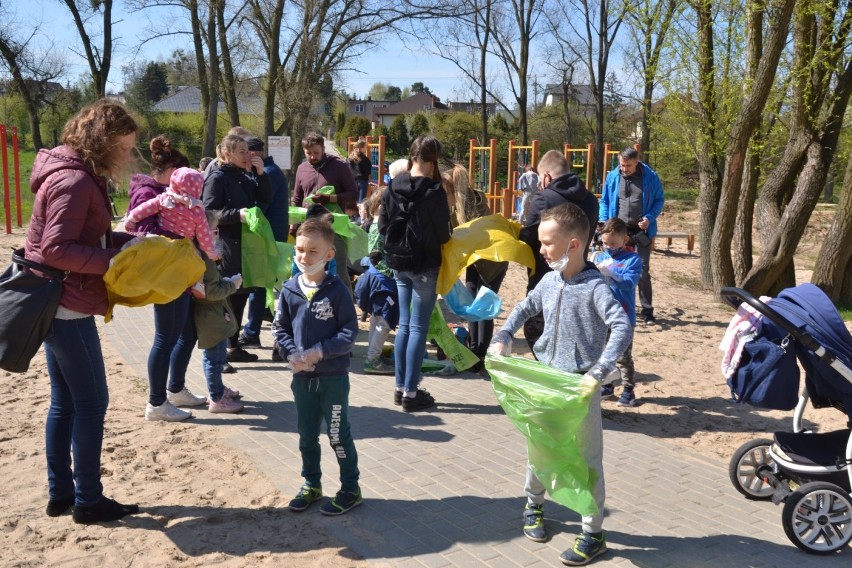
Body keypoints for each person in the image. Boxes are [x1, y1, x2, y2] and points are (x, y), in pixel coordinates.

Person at [488, 202, 632, 566]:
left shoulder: (596, 288)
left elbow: (622, 327)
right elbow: (524, 308)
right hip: (546, 381)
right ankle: (533, 506)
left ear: (573, 245)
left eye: (547, 243)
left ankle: (593, 533)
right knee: (541, 448)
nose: (541, 249)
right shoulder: (550, 281)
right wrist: (503, 334)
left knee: (586, 460)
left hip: (578, 389)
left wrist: (597, 374)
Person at [25, 99, 140, 523]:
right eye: (124, 148)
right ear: (103, 142)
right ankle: (88, 501)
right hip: (67, 305)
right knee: (92, 403)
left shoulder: (75, 174)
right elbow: (57, 249)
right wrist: (114, 262)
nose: (128, 156)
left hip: (56, 301)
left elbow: (80, 234)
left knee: (66, 402)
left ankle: (62, 494)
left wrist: (127, 243)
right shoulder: (74, 181)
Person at [272, 217, 362, 515]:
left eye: (313, 251)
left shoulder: (337, 291)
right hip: (302, 379)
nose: (304, 257)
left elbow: (349, 333)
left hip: (333, 378)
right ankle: (311, 484)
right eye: (299, 250)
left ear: (329, 255)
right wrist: (291, 354)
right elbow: (280, 328)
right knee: (307, 435)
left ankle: (350, 488)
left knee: (337, 434)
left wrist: (319, 352)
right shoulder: (288, 289)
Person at [127, 137, 205, 422]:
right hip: (166, 273)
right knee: (165, 338)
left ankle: (175, 388)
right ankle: (157, 403)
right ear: (172, 170)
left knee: (187, 334)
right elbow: (145, 233)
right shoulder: (150, 193)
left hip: (180, 272)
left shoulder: (165, 192)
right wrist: (186, 238)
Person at [379, 136, 451, 412]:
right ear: (433, 160)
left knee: (405, 326)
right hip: (425, 265)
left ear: (412, 156)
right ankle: (411, 392)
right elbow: (444, 234)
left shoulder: (393, 184)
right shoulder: (435, 191)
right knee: (418, 327)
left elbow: (384, 224)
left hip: (398, 262)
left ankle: (400, 388)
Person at [202, 133, 272, 364]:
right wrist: (237, 215)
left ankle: (233, 347)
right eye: (241, 151)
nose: (248, 155)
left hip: (246, 245)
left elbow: (266, 198)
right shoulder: (217, 178)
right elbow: (209, 213)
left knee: (241, 294)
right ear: (227, 153)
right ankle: (221, 351)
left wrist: (261, 175)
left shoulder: (245, 174)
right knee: (229, 296)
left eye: (248, 151)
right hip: (227, 245)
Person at [520, 150, 598, 352]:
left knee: (536, 329)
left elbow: (529, 237)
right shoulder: (591, 199)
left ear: (546, 176)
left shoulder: (544, 198)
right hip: (581, 275)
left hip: (545, 275)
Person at [444, 163, 508, 369]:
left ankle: (480, 354)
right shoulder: (460, 205)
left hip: (492, 260)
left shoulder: (471, 204)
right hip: (476, 260)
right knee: (472, 305)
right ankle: (474, 350)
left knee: (484, 306)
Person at [599, 147, 665, 324]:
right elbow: (604, 200)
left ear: (637, 161)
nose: (624, 169)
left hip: (641, 230)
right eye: (622, 164)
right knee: (613, 267)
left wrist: (649, 218)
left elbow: (660, 199)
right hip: (619, 230)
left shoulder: (650, 177)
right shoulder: (613, 176)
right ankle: (615, 305)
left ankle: (647, 310)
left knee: (642, 270)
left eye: (628, 165)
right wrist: (604, 221)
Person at [239, 136, 289, 357]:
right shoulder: (271, 170)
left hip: (268, 236)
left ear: (254, 154)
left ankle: (252, 332)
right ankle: (262, 318)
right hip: (270, 234)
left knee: (258, 283)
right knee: (262, 284)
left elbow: (259, 208)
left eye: (245, 153)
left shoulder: (268, 173)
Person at [292, 132, 358, 292]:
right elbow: (297, 198)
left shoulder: (339, 166)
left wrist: (331, 198)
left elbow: (353, 193)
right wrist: (294, 224)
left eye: (316, 152)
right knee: (306, 270)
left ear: (323, 148)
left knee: (340, 271)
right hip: (308, 227)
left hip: (334, 227)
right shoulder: (302, 169)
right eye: (309, 153)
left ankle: (346, 311)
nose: (313, 157)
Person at [194, 211, 245, 413]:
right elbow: (209, 292)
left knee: (217, 357)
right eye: (214, 231)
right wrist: (232, 285)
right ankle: (216, 398)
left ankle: (219, 389)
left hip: (214, 314)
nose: (217, 236)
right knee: (214, 359)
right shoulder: (203, 260)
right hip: (210, 316)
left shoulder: (205, 256)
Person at [593, 218, 642, 407]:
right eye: (605, 242)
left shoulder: (633, 260)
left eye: (613, 243)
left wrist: (612, 274)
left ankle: (629, 390)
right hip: (602, 315)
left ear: (625, 239)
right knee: (603, 352)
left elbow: (629, 284)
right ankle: (607, 385)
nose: (609, 247)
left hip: (623, 317)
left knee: (622, 356)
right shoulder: (600, 257)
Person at [124, 167, 220, 262]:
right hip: (183, 247)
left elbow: (145, 208)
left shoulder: (166, 198)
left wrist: (131, 219)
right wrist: (211, 252)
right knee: (194, 268)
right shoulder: (198, 212)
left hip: (161, 240)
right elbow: (204, 235)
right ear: (198, 188)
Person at [355, 188, 398, 375]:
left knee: (376, 319)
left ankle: (373, 355)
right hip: (383, 280)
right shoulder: (383, 226)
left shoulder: (372, 223)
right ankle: (373, 359)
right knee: (384, 321)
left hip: (373, 277)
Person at [349, 139, 373, 203]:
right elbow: (367, 171)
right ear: (361, 148)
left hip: (351, 181)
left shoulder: (350, 158)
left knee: (353, 201)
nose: (366, 148)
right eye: (365, 147)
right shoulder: (365, 159)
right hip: (362, 181)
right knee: (361, 202)